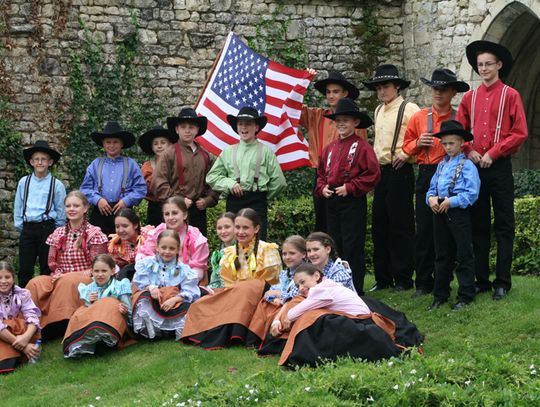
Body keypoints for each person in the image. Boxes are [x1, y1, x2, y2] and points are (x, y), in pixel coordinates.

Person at [456, 40, 528, 300]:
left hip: (499, 167)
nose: (484, 68)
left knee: (505, 224)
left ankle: (502, 281)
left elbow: (520, 133)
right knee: (478, 224)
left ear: (499, 65)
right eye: (480, 65)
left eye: (488, 64)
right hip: (474, 168)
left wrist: (493, 152)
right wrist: (469, 149)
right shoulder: (468, 98)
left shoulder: (511, 95)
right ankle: (481, 280)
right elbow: (458, 131)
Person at [271, 263, 423, 368]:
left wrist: (287, 318)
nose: (301, 288)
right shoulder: (328, 284)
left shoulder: (319, 290)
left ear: (317, 275)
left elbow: (298, 310)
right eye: (298, 286)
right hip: (362, 319)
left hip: (360, 322)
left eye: (303, 282)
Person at [402, 68, 470, 298]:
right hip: (426, 171)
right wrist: (418, 143)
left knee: (450, 231)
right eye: (435, 88)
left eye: (443, 89)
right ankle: (423, 282)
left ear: (452, 92)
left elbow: (467, 145)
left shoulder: (459, 117)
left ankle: (446, 280)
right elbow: (405, 147)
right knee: (424, 230)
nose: (438, 93)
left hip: (452, 174)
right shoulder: (419, 117)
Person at [181, 208, 282, 349]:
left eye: (245, 228)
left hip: (261, 293)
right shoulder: (229, 252)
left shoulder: (267, 249)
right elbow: (228, 282)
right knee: (202, 302)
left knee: (246, 288)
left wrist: (243, 287)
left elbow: (271, 280)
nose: (240, 232)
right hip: (236, 291)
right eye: (238, 227)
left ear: (257, 228)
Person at [362, 64, 420, 292]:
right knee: (380, 225)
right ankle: (384, 278)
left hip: (400, 170)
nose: (382, 91)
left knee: (401, 226)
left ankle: (404, 278)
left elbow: (426, 134)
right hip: (381, 172)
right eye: (378, 87)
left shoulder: (409, 108)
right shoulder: (378, 110)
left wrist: (407, 153)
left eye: (385, 86)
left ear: (397, 86)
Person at [315, 98, 380, 294]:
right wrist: (322, 188)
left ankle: (355, 288)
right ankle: (336, 285)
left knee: (352, 244)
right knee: (333, 244)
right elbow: (320, 175)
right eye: (339, 120)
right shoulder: (329, 149)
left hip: (351, 201)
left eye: (346, 120)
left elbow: (373, 174)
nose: (342, 124)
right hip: (331, 200)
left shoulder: (362, 147)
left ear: (355, 123)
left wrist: (351, 187)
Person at [25, 191, 108, 339]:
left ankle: (57, 325)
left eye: (76, 205)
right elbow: (51, 262)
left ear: (85, 208)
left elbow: (99, 265)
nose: (71, 209)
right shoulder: (58, 233)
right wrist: (58, 272)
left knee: (68, 281)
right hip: (61, 275)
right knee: (35, 283)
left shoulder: (93, 233)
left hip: (86, 276)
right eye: (68, 206)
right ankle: (32, 323)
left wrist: (79, 273)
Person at [300, 70, 367, 232]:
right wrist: (304, 81)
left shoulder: (354, 121)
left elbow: (361, 153)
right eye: (328, 92)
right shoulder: (317, 116)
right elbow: (292, 108)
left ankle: (343, 257)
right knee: (322, 223)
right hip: (322, 177)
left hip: (346, 179)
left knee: (345, 227)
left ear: (345, 94)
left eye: (336, 92)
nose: (331, 96)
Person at [206, 106, 287, 240]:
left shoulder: (266, 152)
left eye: (248, 124)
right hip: (234, 201)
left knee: (258, 242)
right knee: (233, 243)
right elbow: (212, 177)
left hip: (257, 202)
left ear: (256, 127)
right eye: (241, 124)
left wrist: (262, 195)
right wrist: (230, 184)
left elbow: (279, 182)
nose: (244, 127)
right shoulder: (228, 152)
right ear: (237, 127)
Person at [426, 120, 480, 310]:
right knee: (442, 254)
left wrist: (453, 201)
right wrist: (431, 198)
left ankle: (466, 294)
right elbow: (432, 188)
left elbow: (472, 193)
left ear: (461, 143)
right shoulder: (440, 166)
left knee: (464, 253)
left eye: (452, 143)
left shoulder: (467, 166)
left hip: (458, 212)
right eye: (445, 144)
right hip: (439, 211)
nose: (448, 147)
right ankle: (440, 294)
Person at [151, 109, 219, 236]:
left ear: (197, 130)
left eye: (191, 127)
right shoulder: (168, 154)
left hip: (198, 211)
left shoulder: (206, 156)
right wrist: (178, 200)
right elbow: (158, 183)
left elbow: (215, 181)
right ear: (177, 129)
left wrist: (208, 200)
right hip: (174, 211)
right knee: (175, 246)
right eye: (183, 127)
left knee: (198, 246)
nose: (187, 130)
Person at [13, 140, 67, 287]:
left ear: (50, 162)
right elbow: (18, 205)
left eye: (43, 159)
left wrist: (56, 231)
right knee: (25, 268)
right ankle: (24, 301)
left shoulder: (57, 185)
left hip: (47, 229)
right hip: (28, 228)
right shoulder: (24, 182)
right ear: (31, 162)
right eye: (36, 159)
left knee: (46, 267)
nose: (40, 162)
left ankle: (45, 301)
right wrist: (20, 226)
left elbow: (62, 211)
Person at [80, 121, 147, 236]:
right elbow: (85, 188)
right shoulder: (95, 164)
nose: (112, 145)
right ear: (103, 144)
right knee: (98, 247)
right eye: (108, 142)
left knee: (125, 247)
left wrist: (126, 201)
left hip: (124, 213)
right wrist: (98, 200)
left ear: (122, 144)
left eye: (115, 142)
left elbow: (140, 189)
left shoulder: (131, 164)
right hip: (100, 212)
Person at [132, 230, 200, 340]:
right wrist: (151, 287)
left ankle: (175, 331)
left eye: (172, 248)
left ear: (178, 250)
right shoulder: (147, 264)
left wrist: (175, 299)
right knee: (143, 300)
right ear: (157, 247)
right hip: (155, 299)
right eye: (164, 247)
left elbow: (190, 290)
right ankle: (152, 333)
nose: (167, 251)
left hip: (173, 301)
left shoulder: (183, 269)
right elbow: (141, 282)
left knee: (189, 308)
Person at [63, 254, 133, 358]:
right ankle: (82, 339)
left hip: (114, 319)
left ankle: (107, 338)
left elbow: (128, 309)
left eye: (104, 271)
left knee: (108, 302)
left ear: (112, 271)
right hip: (94, 318)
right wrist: (90, 302)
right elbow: (88, 310)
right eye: (96, 271)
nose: (100, 274)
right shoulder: (88, 289)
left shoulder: (120, 286)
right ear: (92, 271)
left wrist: (124, 311)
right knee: (79, 311)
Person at [135, 196, 209, 283]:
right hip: (155, 278)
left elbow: (198, 269)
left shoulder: (196, 238)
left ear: (184, 215)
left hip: (187, 281)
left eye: (174, 213)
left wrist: (178, 282)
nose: (170, 217)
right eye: (167, 214)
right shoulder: (157, 232)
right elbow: (144, 255)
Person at [0, 262, 41, 373]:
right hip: (3, 336)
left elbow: (33, 316)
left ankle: (22, 353)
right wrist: (24, 346)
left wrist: (26, 337)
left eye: (7, 277)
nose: (3, 281)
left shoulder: (22, 294)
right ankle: (23, 353)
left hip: (19, 336)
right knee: (6, 365)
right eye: (0, 278)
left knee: (21, 323)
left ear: (13, 278)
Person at [138, 125, 178, 226]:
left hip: (175, 205)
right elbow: (142, 188)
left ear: (170, 145)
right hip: (154, 208)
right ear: (152, 147)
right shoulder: (147, 166)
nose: (159, 146)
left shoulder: (178, 163)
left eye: (163, 143)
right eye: (156, 144)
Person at [108, 208, 153, 281]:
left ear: (135, 225)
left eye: (125, 226)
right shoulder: (116, 243)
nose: (120, 230)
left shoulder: (149, 235)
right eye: (117, 227)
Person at [264, 235, 307, 305]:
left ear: (304, 254)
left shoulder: (308, 273)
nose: (287, 257)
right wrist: (275, 299)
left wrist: (278, 293)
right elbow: (267, 294)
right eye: (284, 254)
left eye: (292, 253)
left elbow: (297, 296)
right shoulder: (283, 274)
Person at [207, 212, 236, 289]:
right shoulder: (217, 255)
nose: (223, 231)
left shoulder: (244, 251)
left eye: (227, 227)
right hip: (220, 292)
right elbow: (215, 282)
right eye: (219, 228)